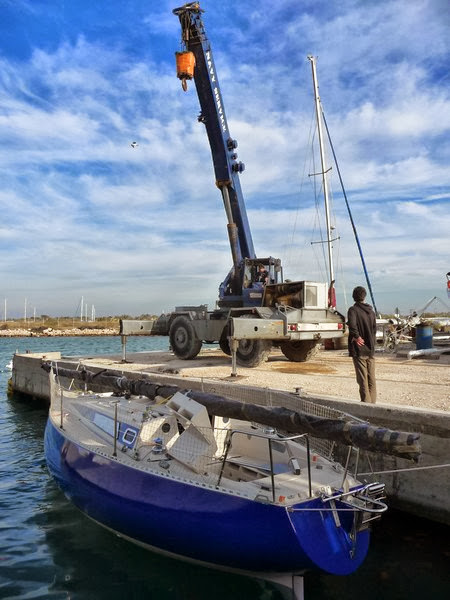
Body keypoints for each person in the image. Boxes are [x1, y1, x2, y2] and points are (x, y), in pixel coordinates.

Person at [347, 286, 377, 403]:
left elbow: (353, 326)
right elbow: (374, 330)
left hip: (360, 350)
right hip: (370, 349)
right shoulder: (371, 311)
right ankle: (373, 404)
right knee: (371, 378)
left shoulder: (353, 310)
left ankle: (366, 405)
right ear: (364, 296)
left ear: (354, 297)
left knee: (362, 379)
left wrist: (357, 337)